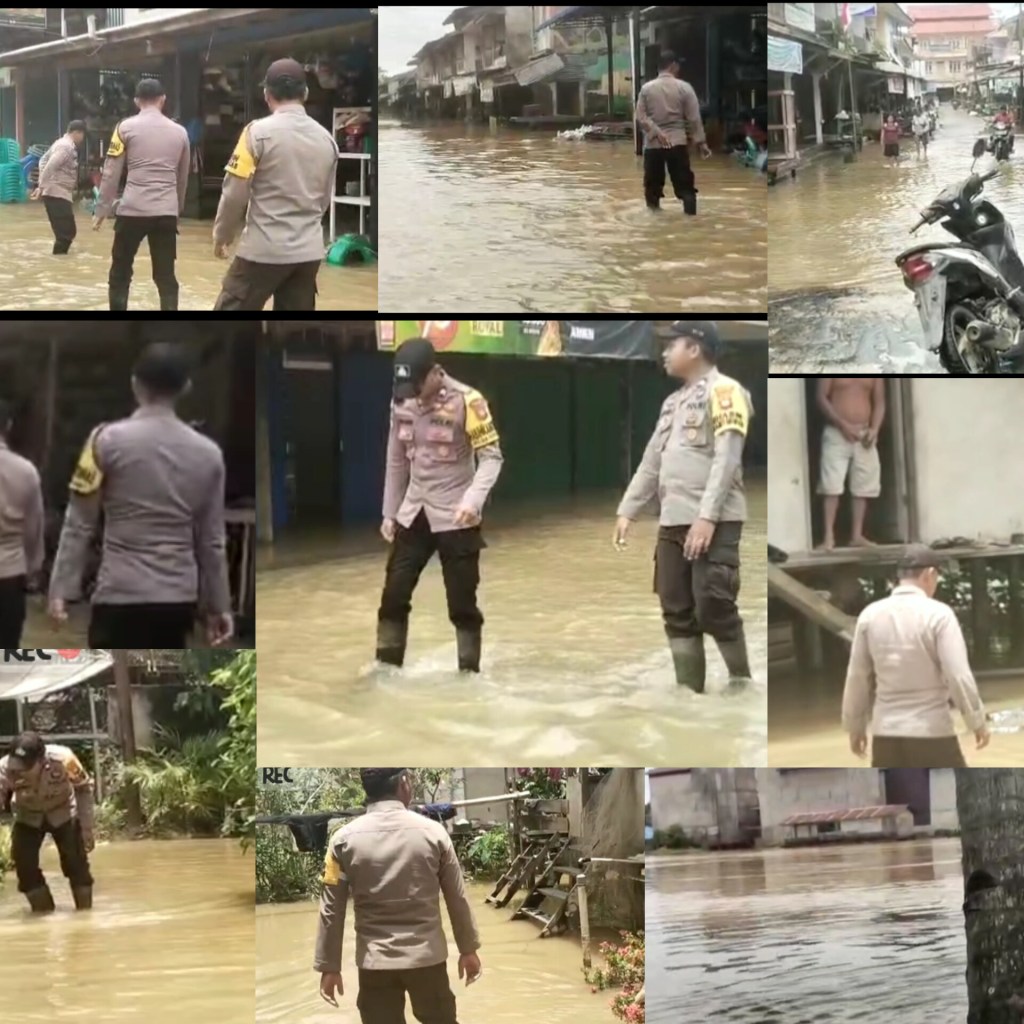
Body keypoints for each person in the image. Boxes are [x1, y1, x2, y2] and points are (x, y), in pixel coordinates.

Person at [47, 342, 233, 648]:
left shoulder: (103, 441)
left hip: (119, 592)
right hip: (177, 599)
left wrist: (60, 590)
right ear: (186, 387)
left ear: (135, 383)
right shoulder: (209, 455)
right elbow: (212, 541)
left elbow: (78, 524)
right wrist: (219, 606)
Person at [614, 322, 754, 693]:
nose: (663, 352)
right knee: (675, 607)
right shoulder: (671, 403)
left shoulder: (727, 392)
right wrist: (628, 509)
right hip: (672, 520)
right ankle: (690, 693)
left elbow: (726, 459)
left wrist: (707, 517)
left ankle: (740, 682)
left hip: (716, 519)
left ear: (694, 349)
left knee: (713, 603)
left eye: (670, 345)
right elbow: (651, 461)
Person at [315, 768, 482, 1024]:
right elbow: (456, 898)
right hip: (427, 959)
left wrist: (330, 966)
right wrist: (468, 950)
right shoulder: (434, 834)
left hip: (375, 964)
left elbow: (331, 909)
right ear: (403, 783)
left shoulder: (342, 841)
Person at [377, 338, 503, 673]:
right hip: (414, 511)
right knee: (393, 594)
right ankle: (386, 669)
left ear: (434, 373)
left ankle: (468, 673)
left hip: (456, 514)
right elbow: (396, 460)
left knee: (462, 605)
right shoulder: (401, 401)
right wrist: (390, 512)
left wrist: (472, 501)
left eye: (418, 385)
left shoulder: (468, 401)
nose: (414, 394)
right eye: (407, 387)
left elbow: (491, 459)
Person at [842, 546, 990, 768]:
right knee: (957, 797)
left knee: (897, 799)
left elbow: (857, 677)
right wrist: (976, 721)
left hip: (885, 735)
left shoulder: (869, 615)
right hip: (932, 732)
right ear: (929, 574)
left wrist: (856, 727)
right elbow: (957, 675)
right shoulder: (939, 615)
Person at [212, 58, 340, 311]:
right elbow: (324, 200)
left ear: (266, 95)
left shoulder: (255, 134)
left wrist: (222, 236)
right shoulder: (328, 140)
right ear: (305, 93)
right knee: (293, 334)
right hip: (308, 254)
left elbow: (234, 194)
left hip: (262, 251)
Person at [94, 78, 190, 311]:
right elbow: (183, 177)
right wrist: (175, 211)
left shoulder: (124, 128)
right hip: (165, 212)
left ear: (136, 101)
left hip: (132, 210)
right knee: (166, 276)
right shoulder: (180, 132)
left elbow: (110, 172)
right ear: (163, 100)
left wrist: (102, 209)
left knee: (120, 272)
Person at [0, 731, 95, 912]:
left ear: (41, 761)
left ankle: (85, 916)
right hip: (27, 815)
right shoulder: (4, 769)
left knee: (77, 863)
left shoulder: (65, 759)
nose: (20, 771)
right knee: (24, 867)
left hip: (63, 811)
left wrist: (87, 828)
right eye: (17, 766)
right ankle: (43, 914)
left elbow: (83, 788)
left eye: (26, 767)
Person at [634, 50, 711, 214]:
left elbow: (640, 116)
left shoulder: (646, 89)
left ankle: (655, 225)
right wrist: (701, 143)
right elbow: (694, 119)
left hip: (653, 145)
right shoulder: (685, 88)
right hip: (677, 143)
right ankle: (691, 223)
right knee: (686, 189)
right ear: (673, 66)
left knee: (652, 189)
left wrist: (656, 131)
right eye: (678, 65)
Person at [816, 377, 885, 550]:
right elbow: (821, 397)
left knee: (863, 485)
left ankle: (857, 535)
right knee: (831, 485)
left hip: (864, 433)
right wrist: (842, 425)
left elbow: (880, 402)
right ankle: (828, 537)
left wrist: (875, 429)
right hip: (836, 432)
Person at [0, 399, 44, 648]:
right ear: (8, 425)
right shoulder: (25, 471)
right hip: (10, 573)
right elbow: (33, 528)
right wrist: (32, 568)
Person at [31, 120, 86, 254]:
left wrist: (44, 184)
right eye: (83, 134)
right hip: (57, 193)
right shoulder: (66, 147)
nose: (83, 138)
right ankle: (59, 260)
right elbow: (51, 165)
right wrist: (42, 186)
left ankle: (60, 261)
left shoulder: (60, 143)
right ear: (77, 133)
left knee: (66, 232)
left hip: (57, 192)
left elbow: (43, 160)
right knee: (66, 234)